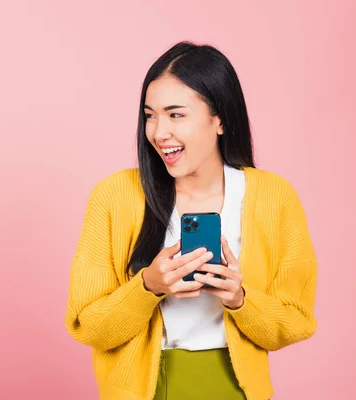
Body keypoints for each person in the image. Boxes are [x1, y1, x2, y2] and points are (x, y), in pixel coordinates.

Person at [64, 41, 317, 400]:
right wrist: (148, 286)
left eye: (175, 114)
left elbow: (296, 321)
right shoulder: (114, 196)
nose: (159, 131)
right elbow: (86, 325)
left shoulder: (274, 197)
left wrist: (240, 300)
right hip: (141, 391)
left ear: (219, 119)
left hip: (234, 387)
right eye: (150, 115)